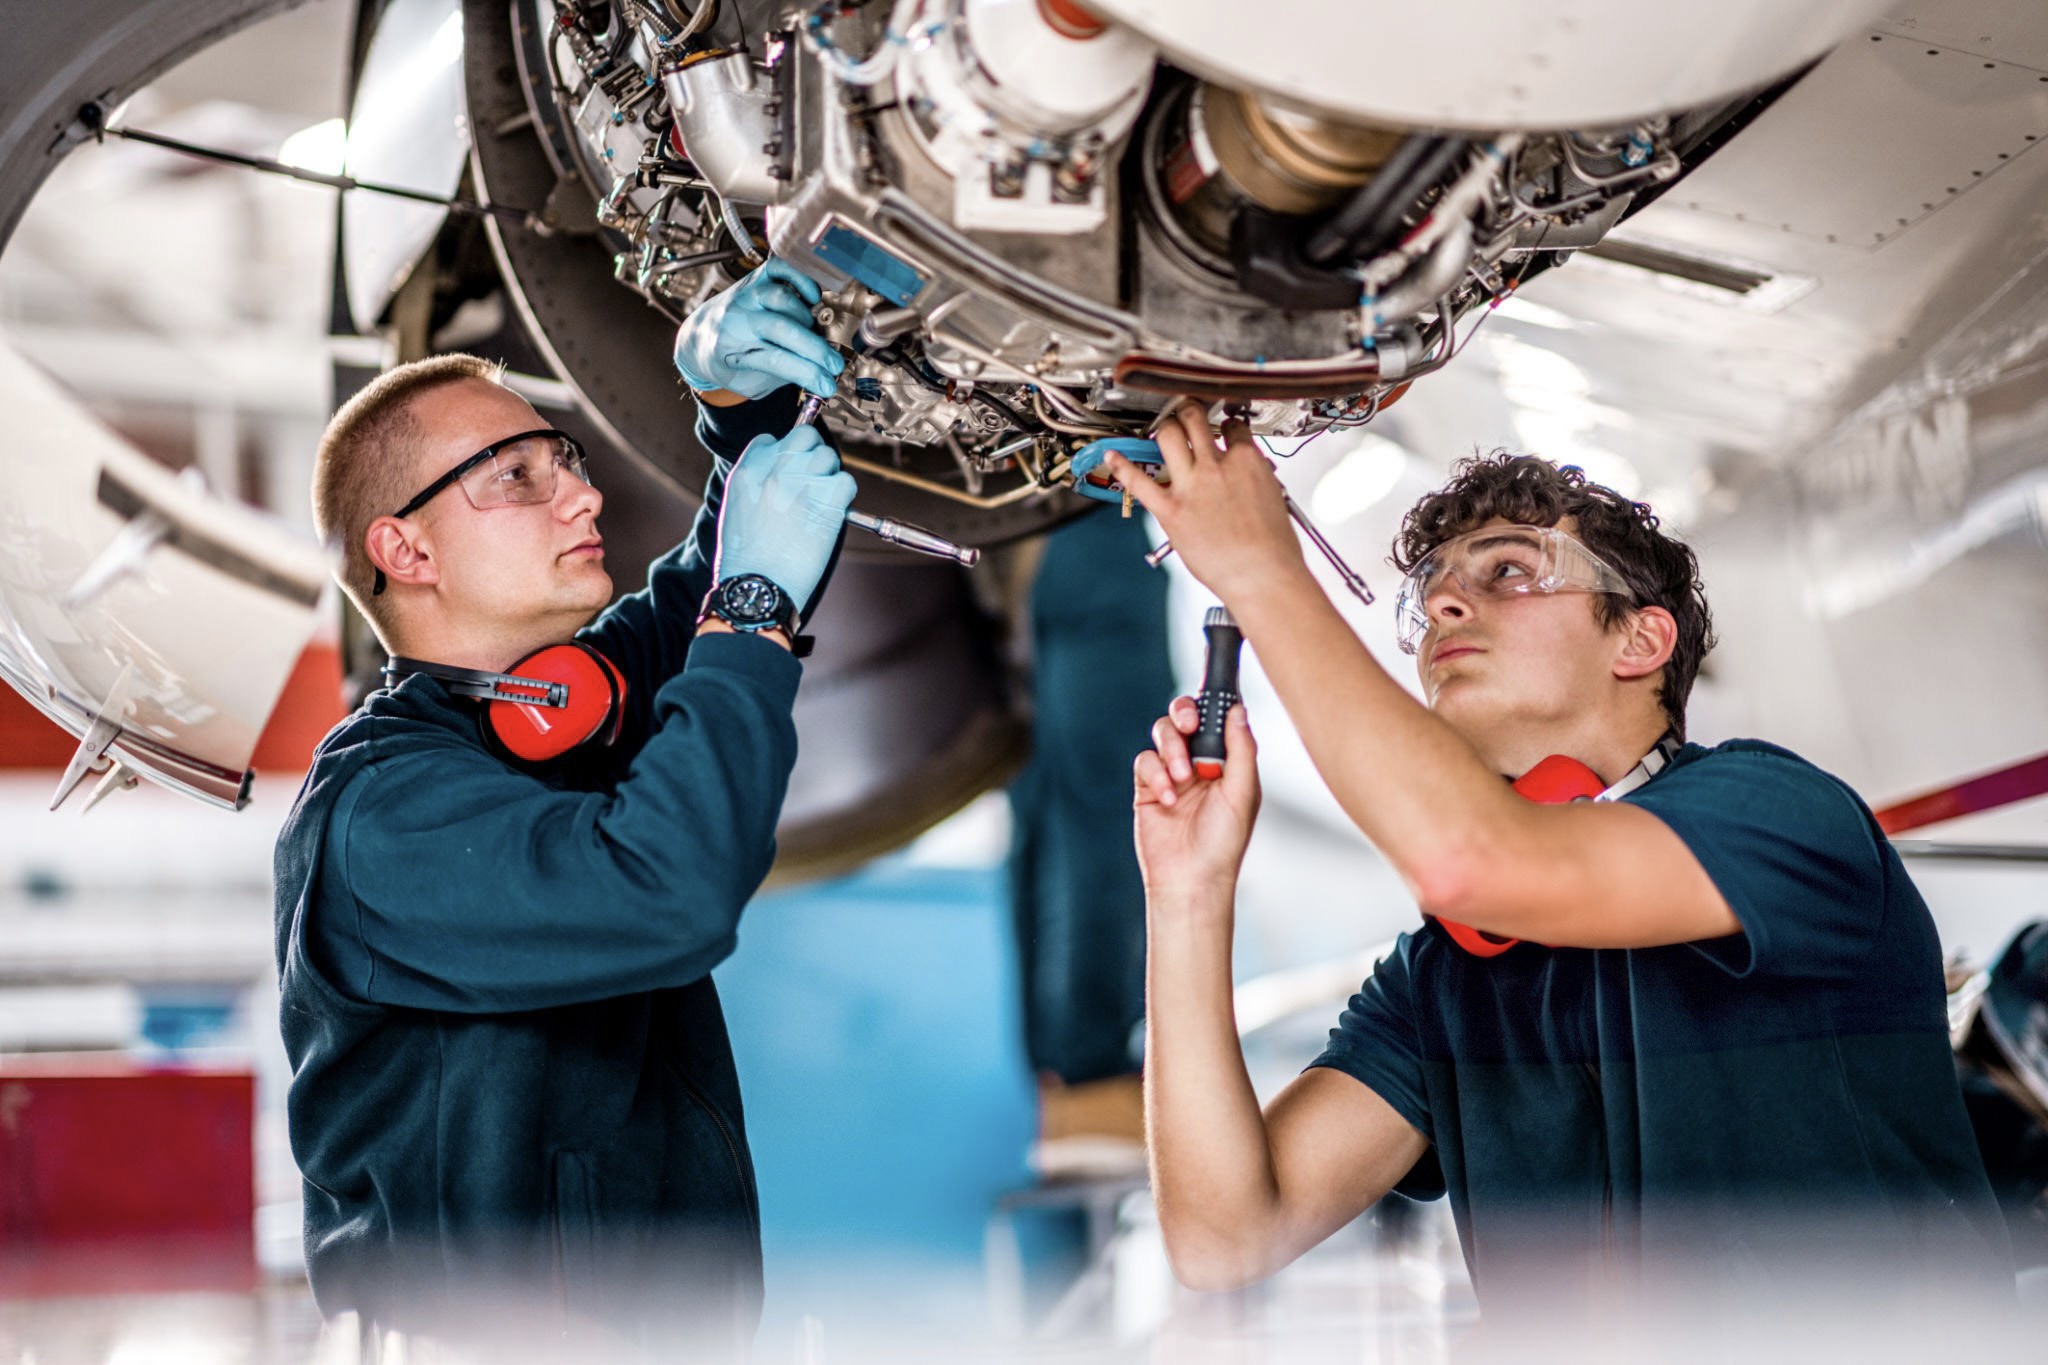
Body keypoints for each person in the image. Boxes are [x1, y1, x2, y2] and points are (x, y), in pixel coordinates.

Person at [1106, 410, 2013, 1325]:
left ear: (1640, 642)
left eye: (1507, 569)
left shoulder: (1779, 814)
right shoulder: (1445, 974)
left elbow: (1476, 860)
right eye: (1432, 594)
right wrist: (1188, 893)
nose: (1445, 607)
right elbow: (1225, 1237)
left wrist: (1264, 572)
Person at [273, 256, 849, 1351]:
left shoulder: (545, 708)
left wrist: (735, 413)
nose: (582, 494)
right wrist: (755, 606)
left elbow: (693, 604)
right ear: (404, 548)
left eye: (565, 461)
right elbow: (667, 894)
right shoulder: (381, 817)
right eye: (514, 476)